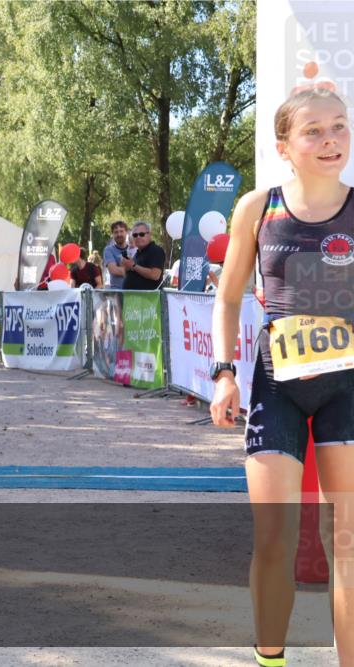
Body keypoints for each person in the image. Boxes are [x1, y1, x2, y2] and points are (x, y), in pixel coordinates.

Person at [209, 86, 353, 667]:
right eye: (313, 131)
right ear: (284, 146)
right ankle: (271, 660)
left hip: (348, 387)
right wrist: (224, 374)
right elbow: (227, 299)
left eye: (339, 127)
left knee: (345, 543)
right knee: (275, 541)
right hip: (277, 386)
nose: (330, 140)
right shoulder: (257, 207)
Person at [120, 222, 165, 290]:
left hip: (147, 299)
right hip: (132, 297)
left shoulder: (155, 250)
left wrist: (133, 265)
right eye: (135, 235)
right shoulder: (137, 253)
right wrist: (127, 267)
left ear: (150, 234)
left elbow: (155, 275)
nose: (138, 237)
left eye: (141, 234)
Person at [103, 220, 133, 289]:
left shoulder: (133, 249)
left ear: (126, 232)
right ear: (112, 234)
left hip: (133, 291)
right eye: (116, 232)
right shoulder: (108, 250)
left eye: (121, 231)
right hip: (116, 293)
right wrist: (132, 270)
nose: (119, 234)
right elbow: (113, 270)